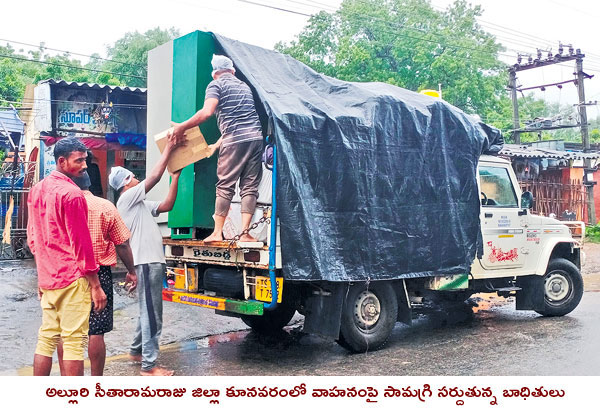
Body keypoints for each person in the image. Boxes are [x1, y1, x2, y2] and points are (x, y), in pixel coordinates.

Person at [26, 137, 107, 376]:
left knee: (46, 339)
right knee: (73, 342)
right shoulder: (72, 194)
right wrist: (96, 285)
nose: (84, 165)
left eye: (85, 159)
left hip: (49, 278)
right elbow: (82, 244)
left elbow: (34, 240)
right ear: (62, 161)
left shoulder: (36, 190)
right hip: (72, 279)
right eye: (79, 160)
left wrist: (42, 277)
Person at [169, 54, 263, 243]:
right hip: (256, 139)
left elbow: (207, 112)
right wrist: (217, 145)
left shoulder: (216, 85)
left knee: (225, 186)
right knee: (249, 187)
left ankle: (217, 232)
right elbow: (239, 122)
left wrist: (181, 127)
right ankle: (245, 233)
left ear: (214, 74)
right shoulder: (244, 87)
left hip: (235, 141)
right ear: (233, 71)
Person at [108, 134, 181, 376]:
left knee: (146, 310)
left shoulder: (138, 203)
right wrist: (169, 148)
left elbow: (167, 205)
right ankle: (149, 367)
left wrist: (176, 178)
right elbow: (154, 177)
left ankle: (136, 350)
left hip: (149, 262)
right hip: (146, 262)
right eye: (133, 176)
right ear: (127, 182)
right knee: (152, 314)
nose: (137, 178)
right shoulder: (127, 198)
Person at [56, 171, 138, 376]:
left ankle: (68, 382)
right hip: (99, 273)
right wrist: (131, 271)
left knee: (66, 331)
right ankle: (96, 381)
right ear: (90, 185)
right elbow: (122, 244)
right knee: (96, 330)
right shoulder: (105, 206)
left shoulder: (60, 205)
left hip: (66, 272)